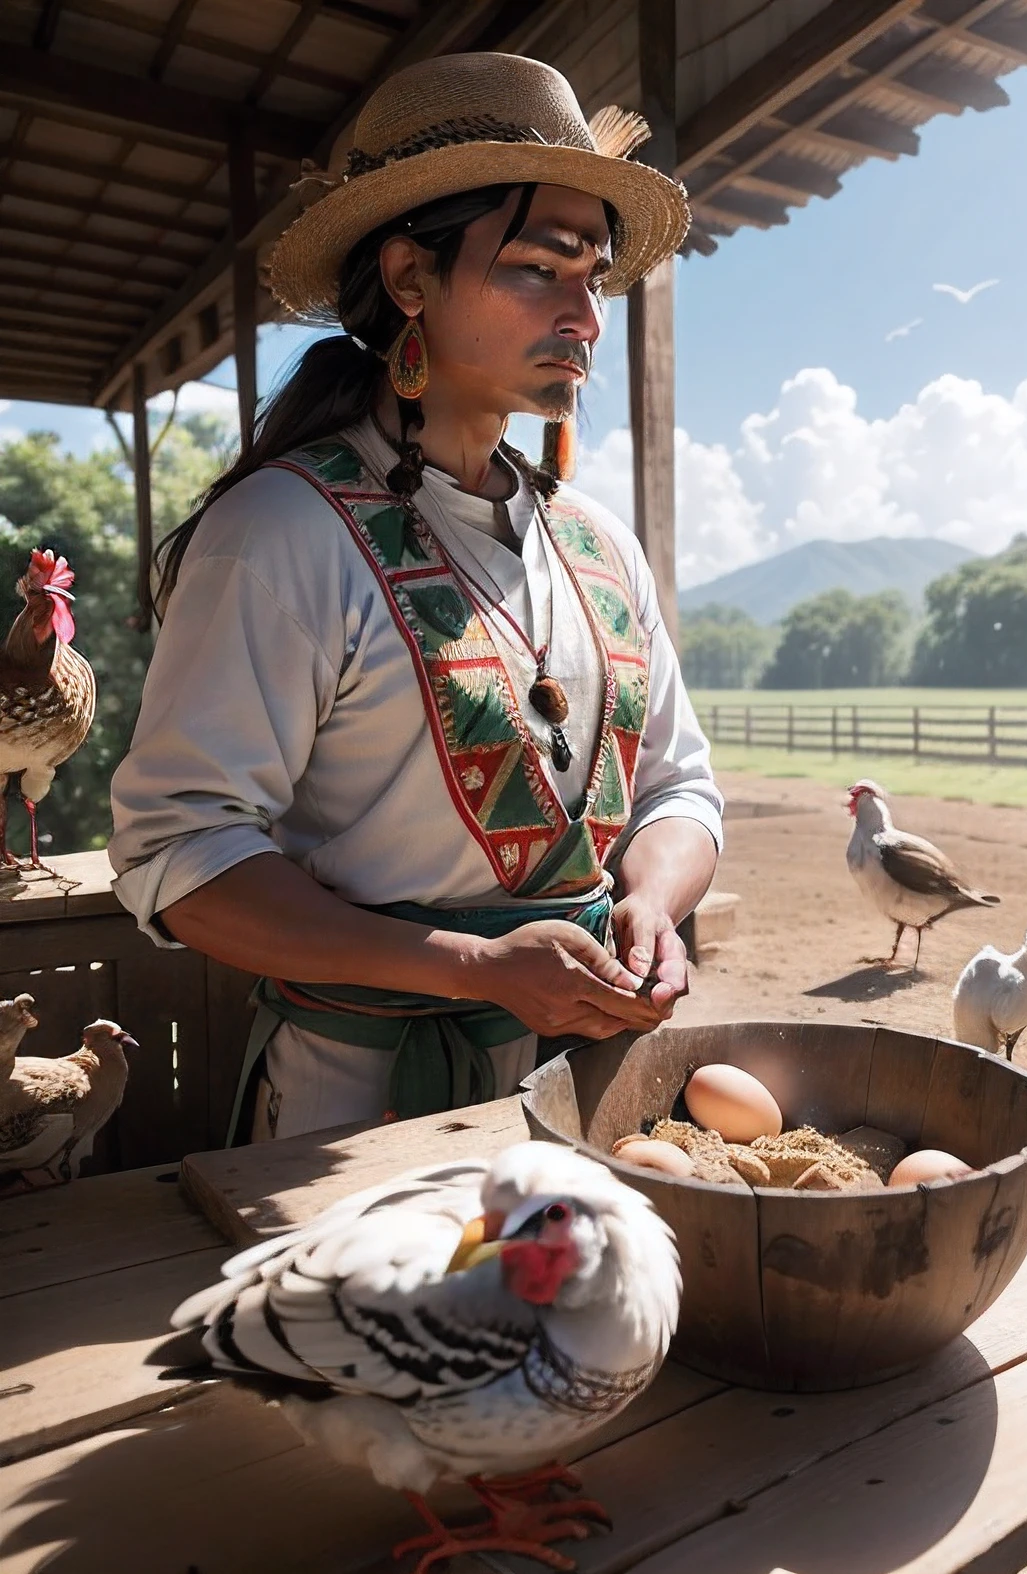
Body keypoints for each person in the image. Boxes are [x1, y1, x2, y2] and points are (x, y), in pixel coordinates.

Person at [109, 51, 724, 1143]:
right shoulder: (282, 534)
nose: (584, 314)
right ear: (409, 279)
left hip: (589, 1091)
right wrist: (474, 967)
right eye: (540, 267)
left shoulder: (600, 546)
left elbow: (677, 785)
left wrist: (652, 905)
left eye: (593, 275)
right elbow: (181, 850)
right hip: (356, 1116)